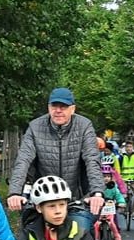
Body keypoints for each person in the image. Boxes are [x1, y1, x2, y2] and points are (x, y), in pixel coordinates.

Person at [7, 87, 104, 232]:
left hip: (76, 198)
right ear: (48, 107)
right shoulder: (35, 127)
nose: (58, 110)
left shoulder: (84, 126)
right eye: (54, 106)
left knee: (80, 234)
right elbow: (23, 160)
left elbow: (92, 160)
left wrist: (97, 193)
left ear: (72, 109)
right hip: (44, 198)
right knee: (30, 234)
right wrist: (15, 192)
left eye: (63, 106)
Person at [98, 164, 125, 240]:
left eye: (108, 176)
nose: (106, 178)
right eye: (104, 176)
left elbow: (118, 195)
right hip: (98, 208)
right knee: (95, 224)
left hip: (110, 208)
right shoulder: (97, 187)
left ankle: (117, 236)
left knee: (113, 223)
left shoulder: (113, 187)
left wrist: (121, 202)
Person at [119, 140, 134, 220]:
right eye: (127, 147)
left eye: (130, 147)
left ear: (133, 148)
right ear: (125, 148)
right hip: (123, 179)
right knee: (123, 193)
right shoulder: (121, 156)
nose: (128, 148)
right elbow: (118, 167)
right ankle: (123, 208)